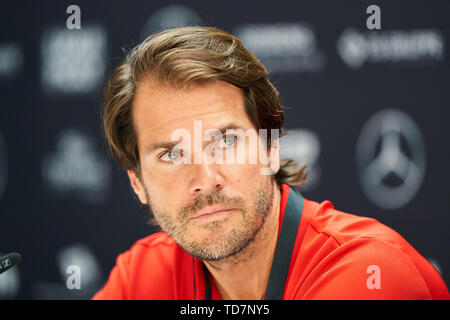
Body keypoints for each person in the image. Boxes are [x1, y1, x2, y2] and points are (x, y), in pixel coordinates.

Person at [93, 26, 449, 300]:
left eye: (226, 141)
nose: (205, 178)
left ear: (271, 149)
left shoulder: (371, 273)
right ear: (137, 182)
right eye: (172, 154)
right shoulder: (142, 276)